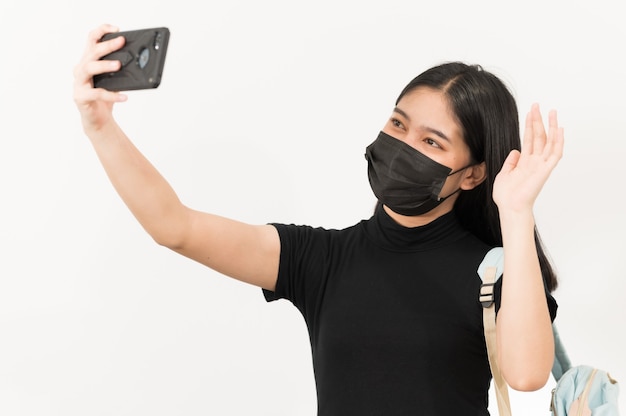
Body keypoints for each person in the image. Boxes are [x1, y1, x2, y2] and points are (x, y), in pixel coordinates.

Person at [74, 24, 564, 415]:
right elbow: (173, 226)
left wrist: (516, 213)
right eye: (398, 125)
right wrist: (99, 126)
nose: (403, 148)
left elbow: (527, 376)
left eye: (432, 142)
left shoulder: (497, 271)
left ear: (474, 174)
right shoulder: (323, 259)